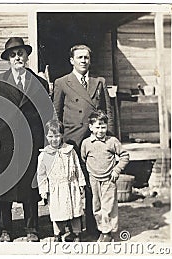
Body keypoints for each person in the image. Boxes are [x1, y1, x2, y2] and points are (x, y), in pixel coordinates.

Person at [0, 37, 53, 242]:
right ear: (8, 58)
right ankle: (4, 229)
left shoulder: (40, 83)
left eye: (21, 53)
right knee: (4, 187)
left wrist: (44, 145)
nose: (17, 57)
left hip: (31, 142)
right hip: (5, 143)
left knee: (30, 187)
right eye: (13, 54)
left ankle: (31, 229)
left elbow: (46, 115)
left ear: (27, 56)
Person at [53, 44, 114, 235]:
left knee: (94, 184)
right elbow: (55, 113)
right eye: (79, 57)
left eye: (86, 57)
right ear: (72, 60)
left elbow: (108, 112)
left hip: (95, 140)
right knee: (72, 183)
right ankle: (72, 227)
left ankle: (95, 225)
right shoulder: (63, 82)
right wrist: (57, 141)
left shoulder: (99, 82)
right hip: (73, 141)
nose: (83, 61)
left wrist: (108, 138)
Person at [81, 110, 129, 242]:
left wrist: (117, 170)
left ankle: (108, 232)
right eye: (97, 127)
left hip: (109, 179)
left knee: (108, 207)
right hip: (94, 180)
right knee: (96, 207)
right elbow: (84, 159)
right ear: (91, 127)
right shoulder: (86, 143)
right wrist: (89, 174)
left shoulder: (112, 141)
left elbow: (124, 156)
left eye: (103, 127)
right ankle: (103, 229)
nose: (101, 130)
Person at [36, 120, 86, 242]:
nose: (54, 139)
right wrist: (44, 190)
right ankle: (58, 234)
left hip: (71, 185)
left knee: (75, 210)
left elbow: (77, 167)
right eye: (51, 136)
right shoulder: (44, 155)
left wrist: (81, 183)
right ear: (46, 137)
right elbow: (41, 175)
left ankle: (76, 233)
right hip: (55, 188)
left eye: (57, 136)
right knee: (57, 212)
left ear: (62, 135)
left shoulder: (70, 151)